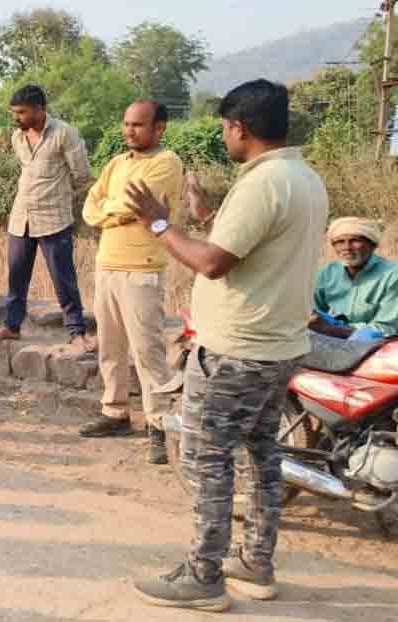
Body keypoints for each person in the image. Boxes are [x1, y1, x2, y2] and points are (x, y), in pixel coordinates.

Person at [126, 79, 329, 611]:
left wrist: (160, 223)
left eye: (224, 127)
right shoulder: (303, 178)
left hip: (239, 347)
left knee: (205, 457)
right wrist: (207, 215)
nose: (224, 136)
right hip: (279, 343)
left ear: (240, 128)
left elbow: (213, 262)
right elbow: (251, 247)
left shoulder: (264, 183)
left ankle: (203, 574)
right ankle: (255, 561)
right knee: (262, 453)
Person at [80, 101, 184, 464]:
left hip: (142, 268)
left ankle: (159, 425)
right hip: (107, 265)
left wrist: (110, 211)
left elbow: (135, 206)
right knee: (110, 346)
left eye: (138, 125)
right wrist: (112, 213)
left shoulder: (166, 163)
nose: (129, 131)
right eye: (126, 124)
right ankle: (115, 412)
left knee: (147, 351)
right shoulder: (117, 163)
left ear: (159, 129)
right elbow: (91, 206)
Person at [0, 85, 95, 352]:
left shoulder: (65, 134)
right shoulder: (17, 137)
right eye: (14, 112)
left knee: (63, 278)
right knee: (17, 276)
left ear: (40, 109)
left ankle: (76, 331)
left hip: (53, 218)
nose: (17, 118)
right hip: (21, 217)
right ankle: (12, 326)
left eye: (22, 112)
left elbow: (82, 176)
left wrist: (57, 194)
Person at [310, 217, 398, 341]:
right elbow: (312, 315)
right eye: (340, 242)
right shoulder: (326, 274)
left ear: (372, 244)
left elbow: (386, 329)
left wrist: (332, 329)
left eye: (355, 241)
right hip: (335, 344)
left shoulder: (393, 276)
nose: (347, 247)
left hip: (379, 347)